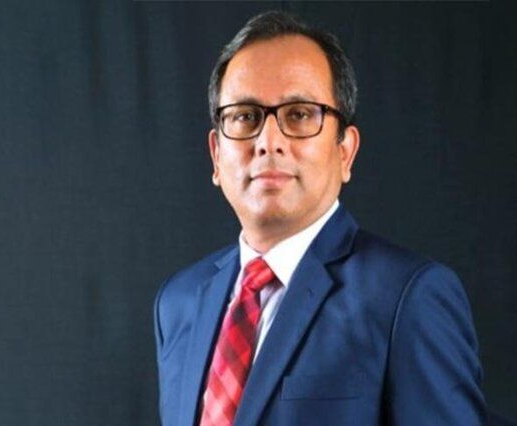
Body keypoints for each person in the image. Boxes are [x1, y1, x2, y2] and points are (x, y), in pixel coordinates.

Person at [154, 11, 487, 426]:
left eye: (299, 114)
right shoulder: (179, 301)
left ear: (345, 151)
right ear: (216, 156)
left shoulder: (408, 298)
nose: (268, 142)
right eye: (245, 116)